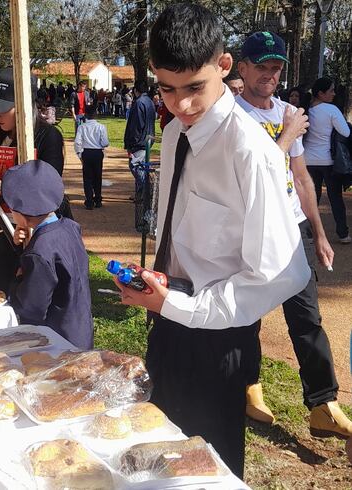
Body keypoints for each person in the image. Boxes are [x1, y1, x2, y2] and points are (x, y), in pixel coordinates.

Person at [115, 4, 310, 477]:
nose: (180, 104)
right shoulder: (171, 136)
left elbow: (283, 273)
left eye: (193, 88)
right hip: (167, 320)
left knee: (206, 473)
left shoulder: (251, 150)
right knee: (157, 459)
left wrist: (182, 307)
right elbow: (181, 231)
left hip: (217, 337)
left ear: (224, 66)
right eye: (166, 88)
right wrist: (159, 287)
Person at [236, 31, 352, 438]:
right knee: (247, 314)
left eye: (276, 67)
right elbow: (251, 176)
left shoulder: (288, 110)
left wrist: (318, 233)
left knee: (307, 315)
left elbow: (300, 178)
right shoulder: (232, 117)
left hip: (291, 229)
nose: (269, 74)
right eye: (261, 65)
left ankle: (323, 404)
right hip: (251, 229)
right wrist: (286, 136)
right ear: (242, 67)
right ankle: (249, 387)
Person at [0, 67, 66, 294]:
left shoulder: (48, 137)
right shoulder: (1, 135)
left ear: (23, 105)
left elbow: (47, 193)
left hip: (29, 241)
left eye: (3, 109)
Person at [4, 160, 93, 350]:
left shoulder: (39, 251)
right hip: (79, 324)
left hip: (56, 339)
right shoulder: (70, 226)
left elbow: (32, 306)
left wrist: (17, 283)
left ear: (20, 211)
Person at [304, 77, 351, 243]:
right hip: (328, 161)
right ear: (321, 93)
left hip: (307, 160)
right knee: (335, 198)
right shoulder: (331, 110)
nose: (334, 93)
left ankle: (309, 234)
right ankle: (343, 234)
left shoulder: (305, 109)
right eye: (331, 90)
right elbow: (345, 132)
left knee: (310, 199)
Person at [124, 80, 156, 196]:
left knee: (136, 165)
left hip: (139, 140)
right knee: (141, 165)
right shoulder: (150, 102)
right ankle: (140, 193)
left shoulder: (139, 103)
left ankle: (146, 191)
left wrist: (130, 144)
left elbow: (136, 126)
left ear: (136, 90)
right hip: (148, 137)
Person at [74, 105, 109, 209]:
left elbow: (77, 142)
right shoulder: (101, 127)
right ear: (95, 114)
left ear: (85, 115)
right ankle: (98, 199)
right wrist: (101, 145)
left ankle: (89, 201)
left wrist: (79, 154)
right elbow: (105, 142)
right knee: (98, 176)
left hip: (87, 153)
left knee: (87, 177)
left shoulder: (82, 127)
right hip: (98, 153)